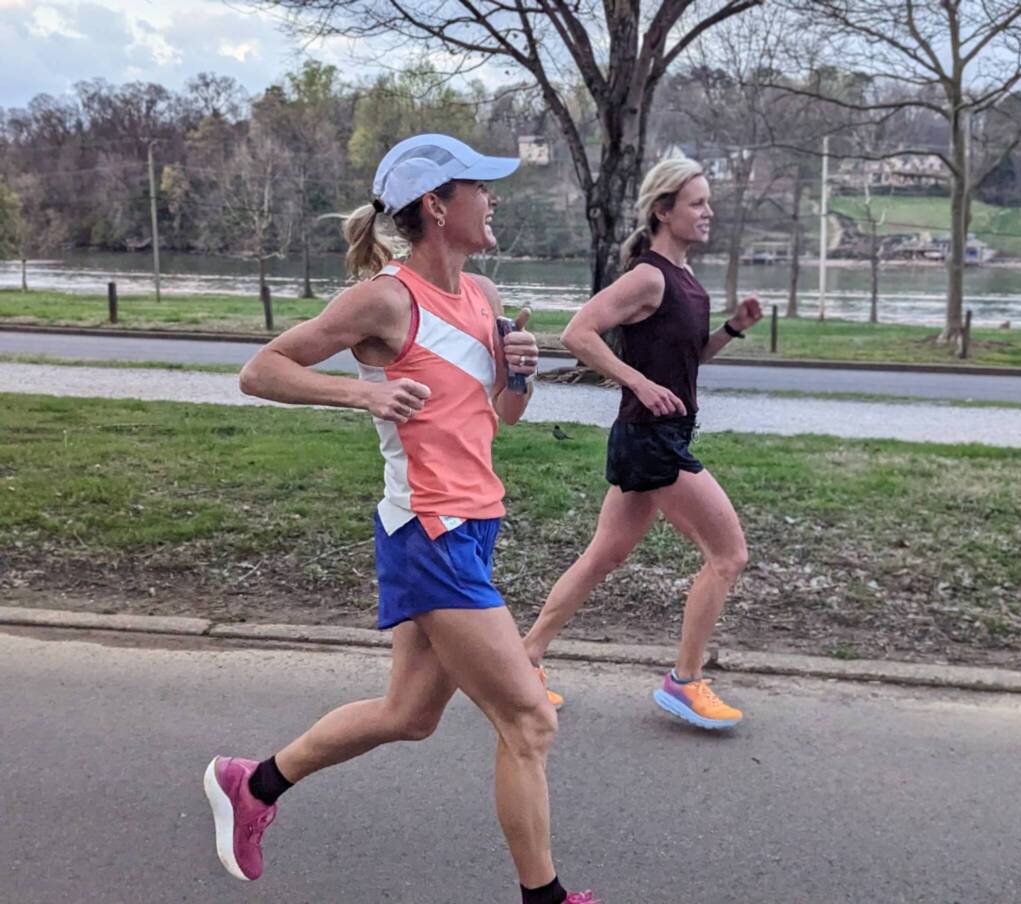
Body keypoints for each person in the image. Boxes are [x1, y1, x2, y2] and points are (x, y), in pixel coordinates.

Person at [203, 134, 596, 904]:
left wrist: (519, 374)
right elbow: (262, 370)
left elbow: (502, 417)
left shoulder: (480, 294)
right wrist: (362, 392)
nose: (494, 199)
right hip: (428, 534)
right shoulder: (385, 298)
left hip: (473, 526)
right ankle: (544, 900)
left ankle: (252, 784)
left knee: (409, 715)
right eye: (480, 186)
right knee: (528, 721)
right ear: (436, 205)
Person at [523, 157, 762, 731]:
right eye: (698, 202)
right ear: (663, 210)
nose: (709, 212)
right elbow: (578, 332)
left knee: (603, 555)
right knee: (728, 556)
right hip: (652, 441)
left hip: (656, 434)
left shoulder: (684, 280)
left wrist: (731, 330)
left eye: (708, 202)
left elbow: (687, 360)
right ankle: (684, 682)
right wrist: (636, 380)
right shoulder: (648, 275)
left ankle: (524, 659)